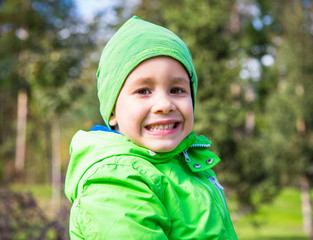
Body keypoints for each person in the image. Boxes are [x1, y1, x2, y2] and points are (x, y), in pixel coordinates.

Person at [64, 16, 238, 240]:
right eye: (143, 91)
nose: (165, 105)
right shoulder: (117, 181)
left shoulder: (184, 165)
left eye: (177, 90)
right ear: (112, 112)